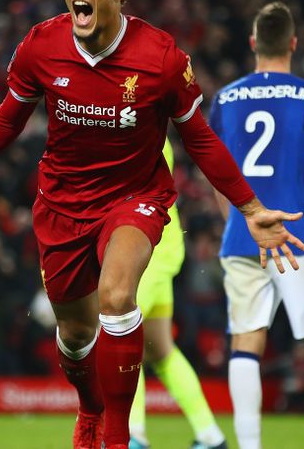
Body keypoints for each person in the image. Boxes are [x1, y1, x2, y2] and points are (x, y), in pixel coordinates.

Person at [0, 0, 304, 449]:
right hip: (62, 203)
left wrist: (249, 207)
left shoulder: (160, 58)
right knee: (73, 337)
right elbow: (8, 117)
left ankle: (116, 438)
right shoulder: (41, 46)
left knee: (116, 298)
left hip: (135, 197)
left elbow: (198, 137)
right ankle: (90, 408)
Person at [209, 2, 304, 449]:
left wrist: (239, 221)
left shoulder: (224, 100)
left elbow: (216, 176)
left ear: (253, 44)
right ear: (293, 44)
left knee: (246, 340)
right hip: (297, 237)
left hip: (242, 236)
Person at [128, 139, 226, 449]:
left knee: (120, 341)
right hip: (162, 248)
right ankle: (210, 435)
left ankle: (133, 435)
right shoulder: (156, 130)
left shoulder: (135, 125)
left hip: (144, 250)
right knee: (160, 350)